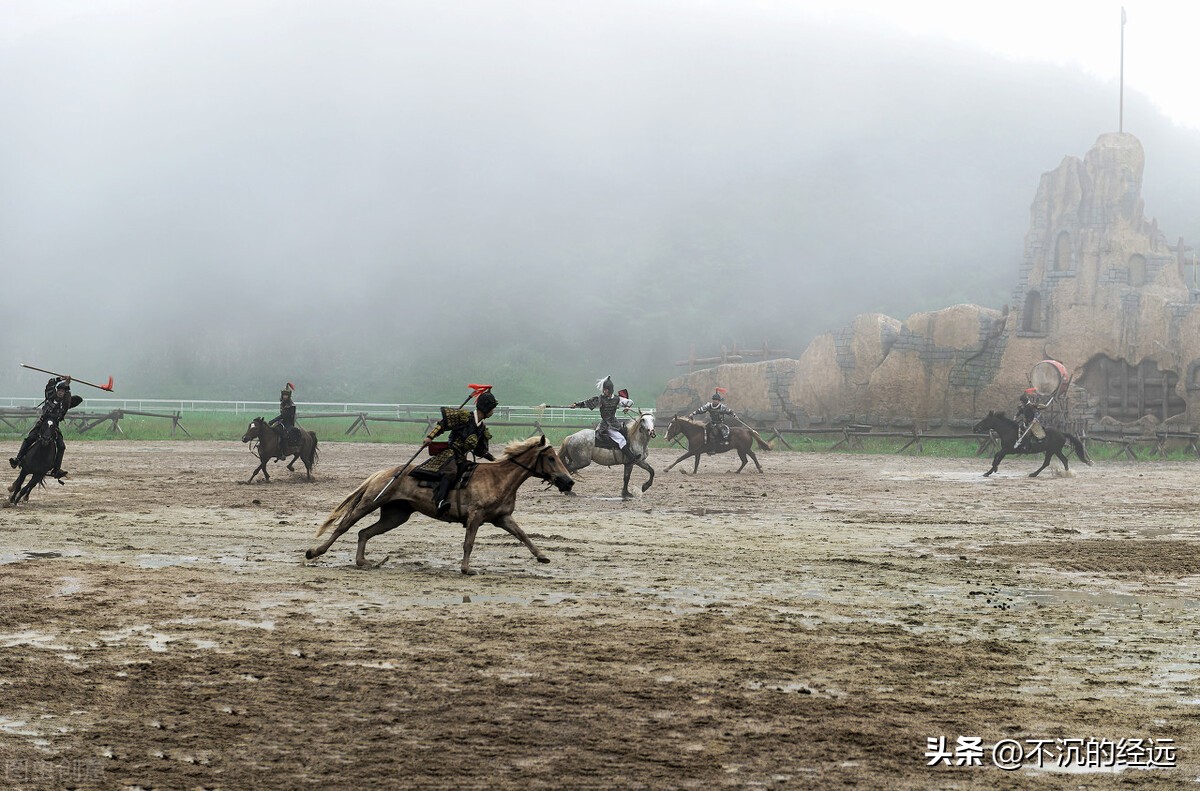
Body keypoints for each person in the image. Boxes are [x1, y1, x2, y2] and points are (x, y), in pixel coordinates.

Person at [416, 389, 498, 517]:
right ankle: (439, 501)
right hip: (450, 453)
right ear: (486, 407)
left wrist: (494, 460)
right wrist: (430, 437)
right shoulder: (464, 417)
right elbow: (443, 425)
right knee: (451, 471)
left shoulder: (482, 428)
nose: (493, 411)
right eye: (492, 408)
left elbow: (480, 450)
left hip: (462, 457)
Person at [10, 376, 75, 478]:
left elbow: (67, 398)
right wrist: (60, 379)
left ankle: (56, 470)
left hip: (54, 427)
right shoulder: (50, 396)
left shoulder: (65, 403)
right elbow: (50, 384)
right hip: (42, 424)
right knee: (29, 438)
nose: (61, 392)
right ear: (57, 390)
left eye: (63, 391)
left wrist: (66, 384)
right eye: (59, 390)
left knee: (61, 446)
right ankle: (18, 459)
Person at [569, 375, 638, 463]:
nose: (604, 391)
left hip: (615, 423)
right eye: (604, 389)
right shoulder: (600, 399)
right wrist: (576, 405)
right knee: (620, 439)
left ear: (610, 389)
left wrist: (627, 407)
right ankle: (631, 458)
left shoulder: (617, 399)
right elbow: (588, 403)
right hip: (606, 425)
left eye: (605, 389)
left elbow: (630, 402)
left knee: (626, 433)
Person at [268, 384, 298, 450]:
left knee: (284, 434)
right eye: (284, 395)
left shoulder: (291, 405)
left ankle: (285, 448)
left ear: (289, 396)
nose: (285, 396)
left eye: (286, 395)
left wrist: (272, 421)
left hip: (289, 423)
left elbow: (283, 416)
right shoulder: (283, 403)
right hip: (282, 422)